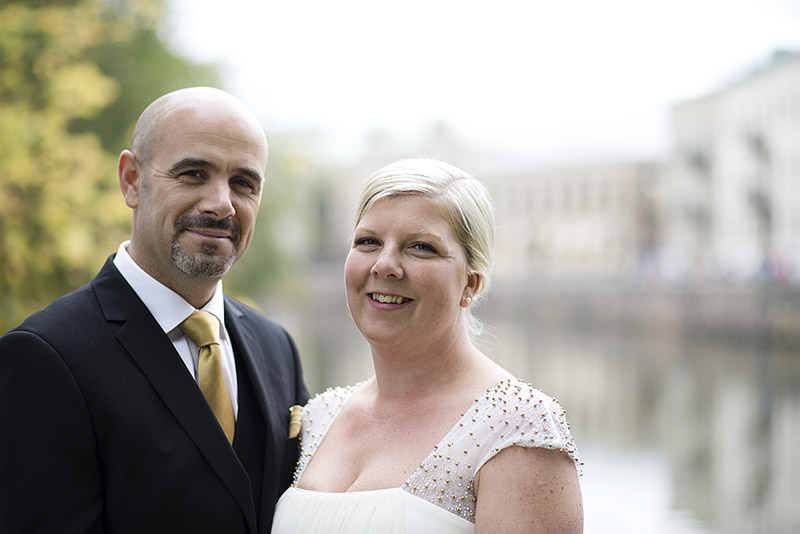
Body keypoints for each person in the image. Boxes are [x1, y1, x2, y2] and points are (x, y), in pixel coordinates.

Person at [0, 87, 308, 534]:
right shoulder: (45, 357)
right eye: (193, 174)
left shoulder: (276, 346)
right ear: (131, 180)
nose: (221, 203)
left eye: (243, 183)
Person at [271, 158, 583, 533]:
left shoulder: (517, 427)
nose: (385, 265)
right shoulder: (318, 417)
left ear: (471, 283)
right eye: (368, 242)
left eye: (421, 247)